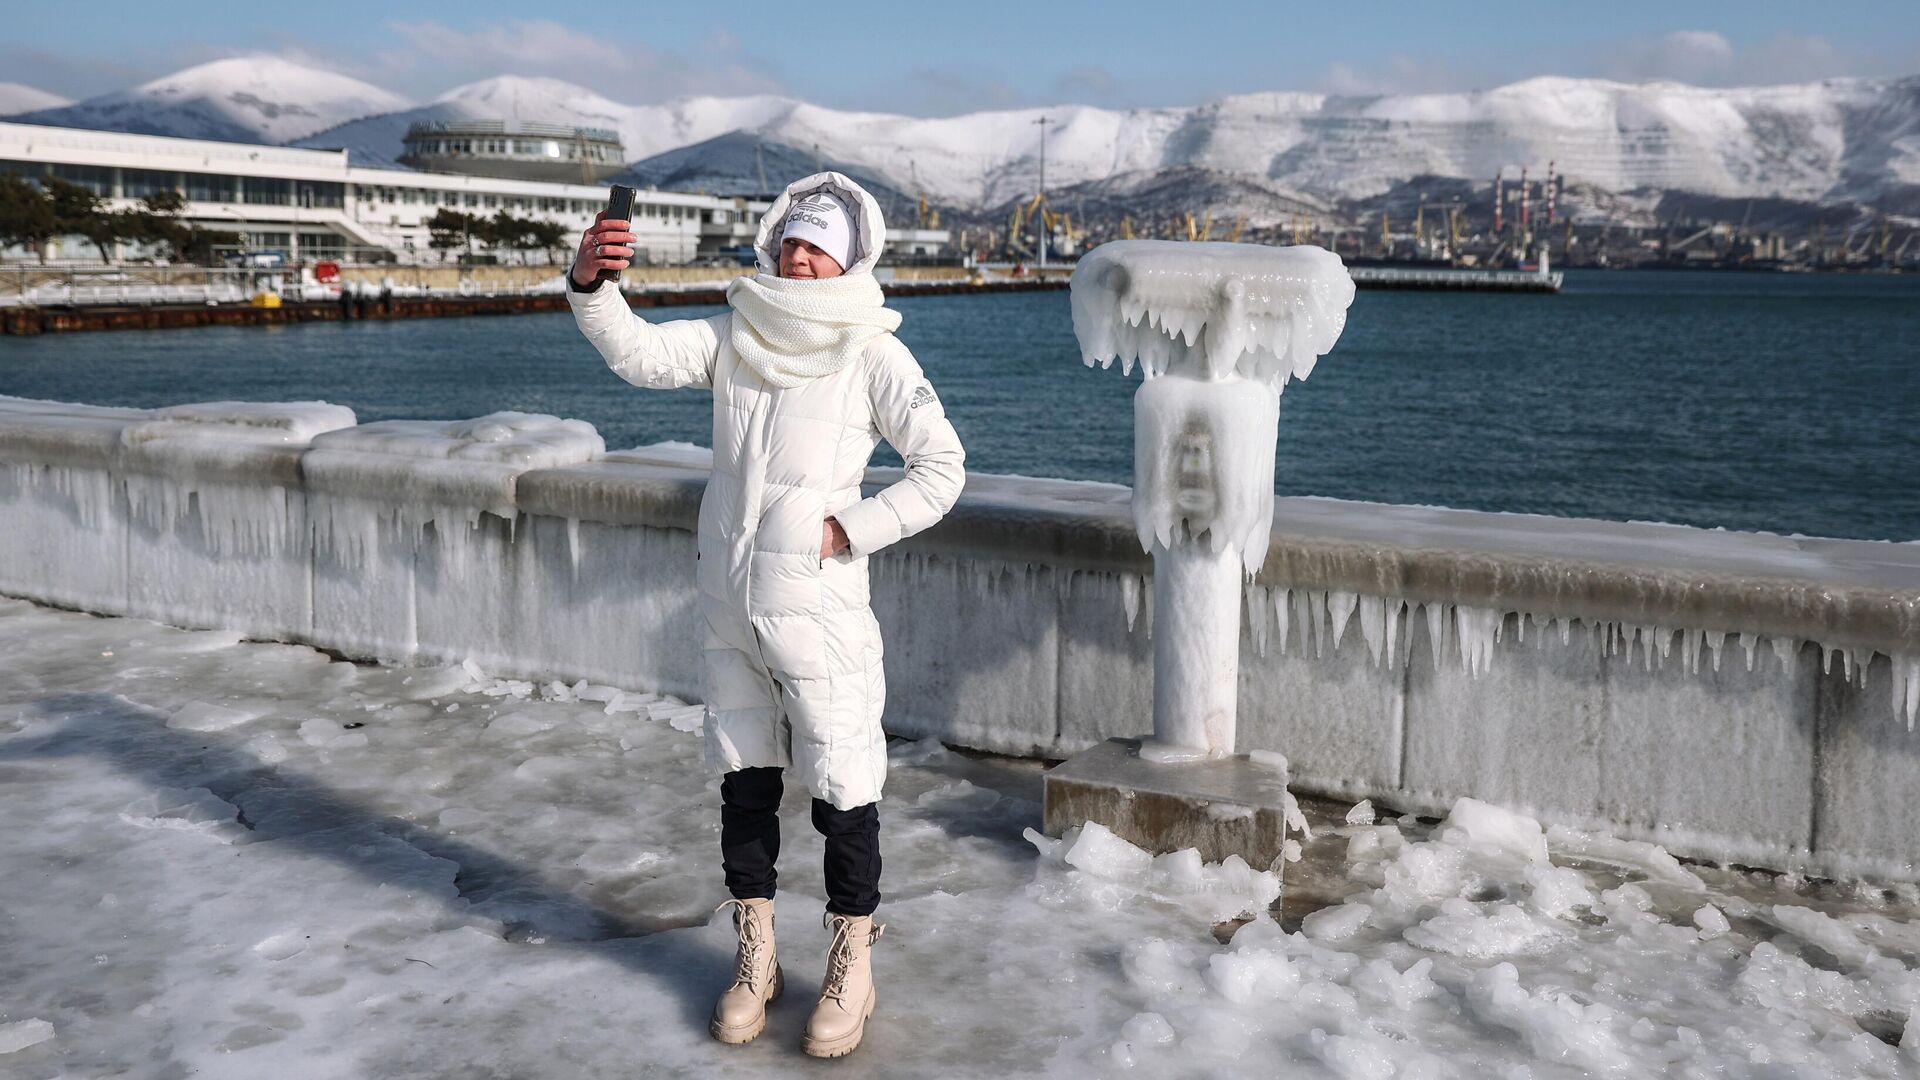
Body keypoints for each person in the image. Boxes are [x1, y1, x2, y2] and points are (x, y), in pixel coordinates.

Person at [566, 173, 966, 1058]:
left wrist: (845, 530)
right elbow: (638, 355)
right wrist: (593, 283)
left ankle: (851, 960)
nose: (800, 255)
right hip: (729, 609)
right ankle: (757, 957)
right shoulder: (738, 335)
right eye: (791, 239)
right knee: (744, 786)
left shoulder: (872, 353)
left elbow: (942, 468)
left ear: (854, 257)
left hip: (819, 614)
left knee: (843, 791)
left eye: (819, 243)